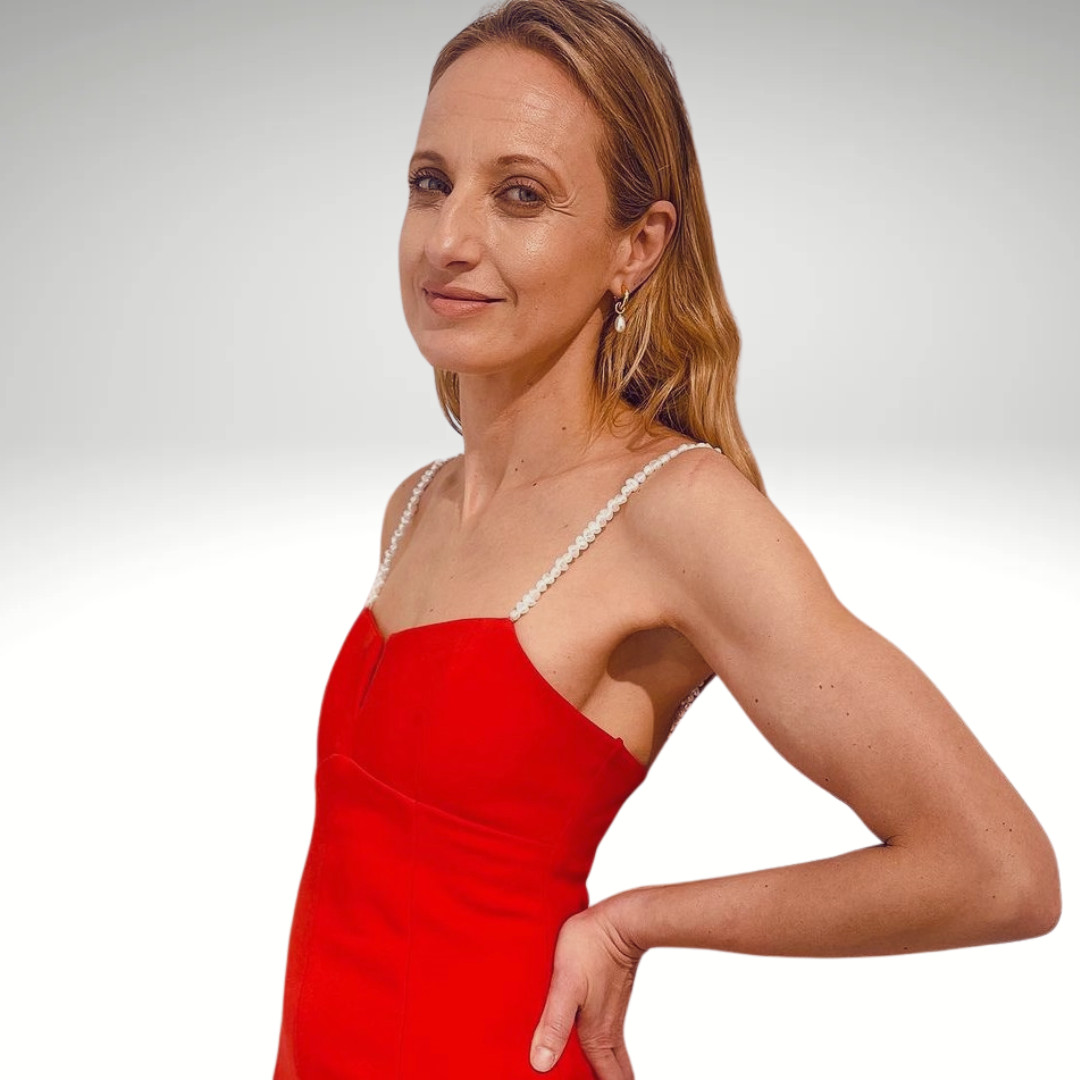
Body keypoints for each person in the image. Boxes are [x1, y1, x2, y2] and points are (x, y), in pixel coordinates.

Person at [272, 1, 1060, 1077]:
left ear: (636, 246)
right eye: (430, 182)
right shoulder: (417, 503)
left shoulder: (675, 512)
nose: (449, 240)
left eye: (520, 194)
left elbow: (999, 871)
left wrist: (635, 921)